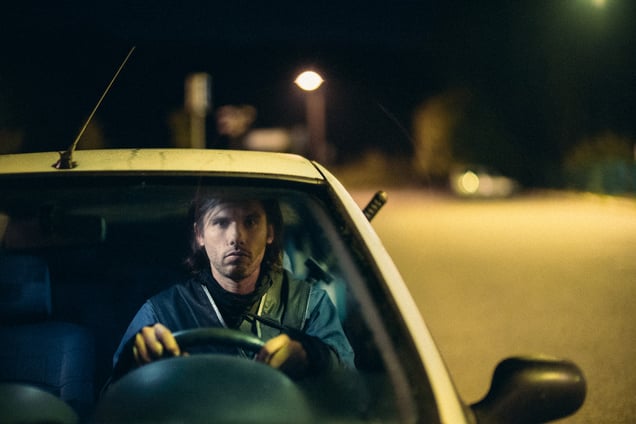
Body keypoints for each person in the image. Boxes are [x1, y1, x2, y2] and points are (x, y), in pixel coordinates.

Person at [107, 193, 354, 386]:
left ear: (270, 231)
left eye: (250, 221)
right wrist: (137, 359)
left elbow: (347, 382)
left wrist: (311, 356)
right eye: (221, 222)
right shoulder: (161, 313)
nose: (236, 236)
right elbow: (116, 398)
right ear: (199, 234)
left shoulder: (308, 304)